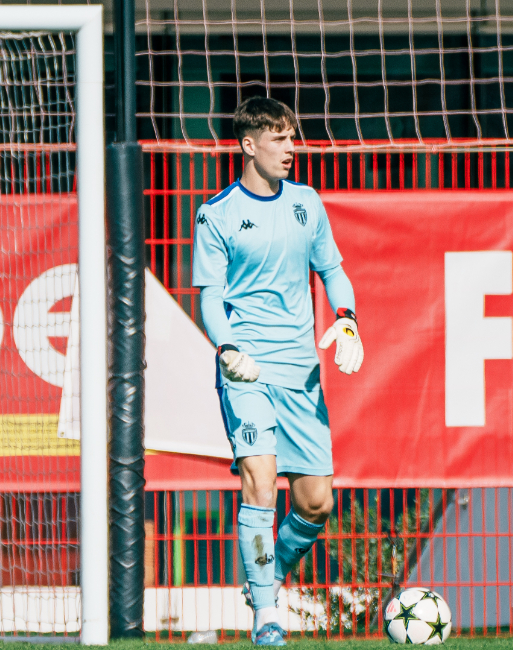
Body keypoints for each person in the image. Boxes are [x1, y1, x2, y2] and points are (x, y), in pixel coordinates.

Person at [191, 96, 363, 646]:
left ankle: (267, 574)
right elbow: (211, 298)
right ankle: (267, 614)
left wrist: (349, 320)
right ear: (249, 145)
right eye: (281, 138)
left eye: (293, 137)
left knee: (316, 502)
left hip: (302, 372)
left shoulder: (307, 203)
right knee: (260, 480)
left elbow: (333, 271)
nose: (292, 148)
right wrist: (227, 347)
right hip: (248, 373)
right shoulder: (215, 213)